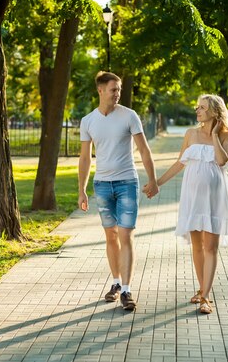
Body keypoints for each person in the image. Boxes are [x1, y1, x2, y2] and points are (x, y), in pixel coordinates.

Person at [146, 94, 228, 314]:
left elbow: (221, 160)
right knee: (197, 246)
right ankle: (201, 290)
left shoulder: (226, 135)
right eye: (197, 106)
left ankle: (206, 298)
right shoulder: (190, 134)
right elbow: (180, 163)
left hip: (215, 198)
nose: (197, 111)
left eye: (202, 107)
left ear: (214, 113)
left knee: (211, 247)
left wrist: (216, 135)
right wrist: (157, 183)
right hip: (192, 196)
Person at [78, 71, 159, 311]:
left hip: (126, 183)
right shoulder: (88, 121)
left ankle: (126, 289)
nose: (118, 93)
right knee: (110, 235)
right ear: (101, 90)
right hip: (102, 185)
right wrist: (82, 190)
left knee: (125, 235)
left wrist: (153, 180)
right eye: (114, 89)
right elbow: (85, 158)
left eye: (119, 89)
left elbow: (144, 150)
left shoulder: (129, 116)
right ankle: (115, 283)